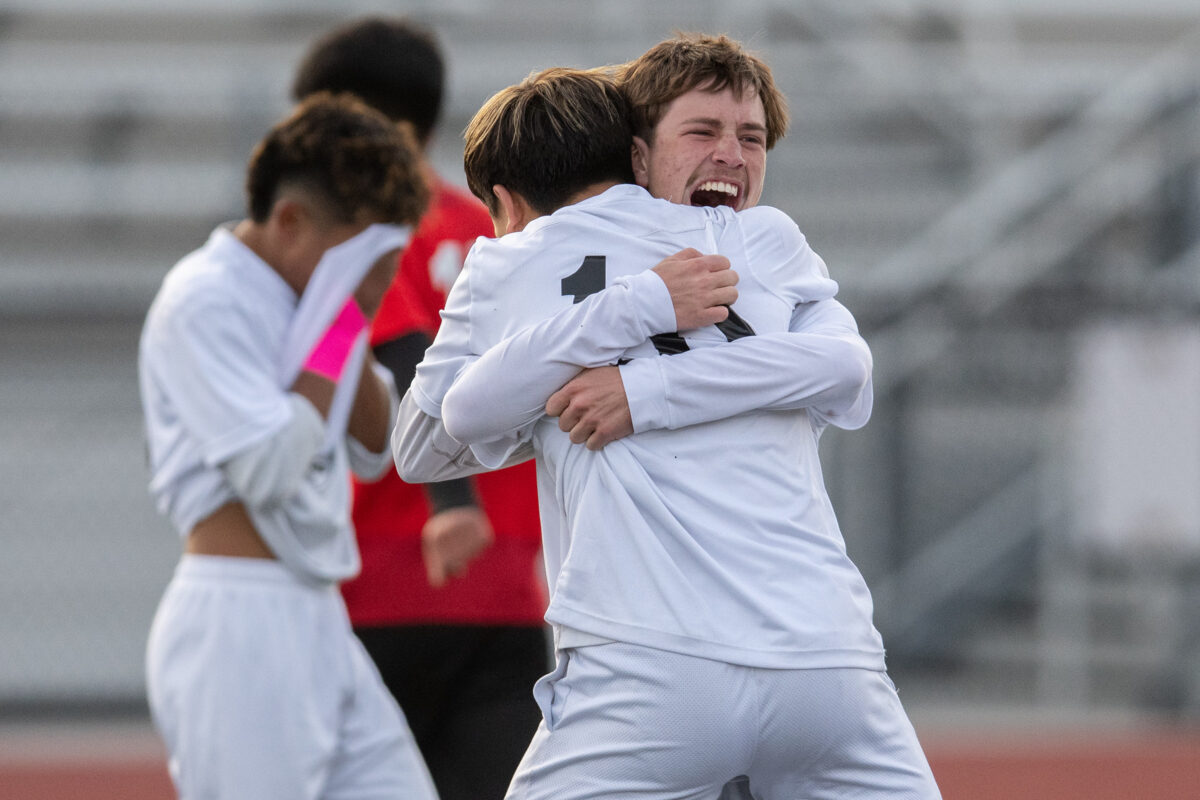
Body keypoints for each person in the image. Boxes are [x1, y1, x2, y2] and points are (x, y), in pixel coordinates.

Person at [394, 63, 941, 799]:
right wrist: (639, 314)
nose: (730, 155)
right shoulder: (751, 236)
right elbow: (845, 371)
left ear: (502, 202)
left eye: (750, 137)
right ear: (635, 154)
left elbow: (429, 435)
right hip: (827, 658)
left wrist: (633, 380)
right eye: (705, 131)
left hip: (637, 660)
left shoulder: (503, 256)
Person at [138, 93, 438, 800]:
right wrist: (336, 327)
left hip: (318, 613)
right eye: (368, 260)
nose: (379, 283)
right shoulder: (204, 298)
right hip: (240, 622)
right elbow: (268, 467)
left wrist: (349, 318)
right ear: (290, 221)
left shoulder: (311, 303)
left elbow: (374, 445)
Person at [290, 18, 548, 800]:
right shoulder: (499, 230)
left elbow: (403, 353)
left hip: (384, 582)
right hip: (504, 592)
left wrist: (450, 503)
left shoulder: (363, 231)